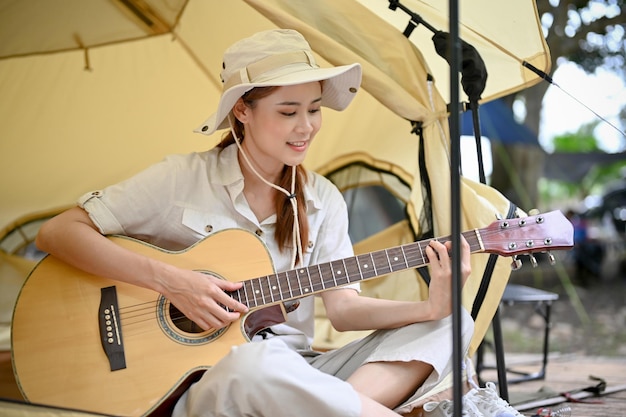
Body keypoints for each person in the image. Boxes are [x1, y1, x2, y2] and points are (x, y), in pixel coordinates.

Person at [36, 29, 475, 417]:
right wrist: (172, 281)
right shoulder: (181, 179)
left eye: (315, 109)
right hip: (209, 385)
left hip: (300, 374)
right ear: (242, 110)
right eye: (288, 112)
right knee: (257, 362)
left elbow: (343, 311)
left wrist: (429, 308)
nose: (306, 127)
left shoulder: (322, 199)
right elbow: (57, 233)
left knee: (454, 325)